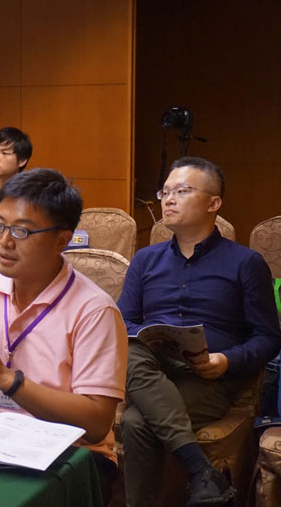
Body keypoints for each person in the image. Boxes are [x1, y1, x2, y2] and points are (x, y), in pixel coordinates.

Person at [0, 168, 127, 503]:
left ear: (62, 240)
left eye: (22, 231)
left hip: (67, 455)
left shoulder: (94, 310)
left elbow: (96, 423)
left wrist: (7, 380)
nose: (4, 242)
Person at [117, 156, 281, 507]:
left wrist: (226, 360)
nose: (168, 199)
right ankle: (201, 472)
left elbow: (268, 338)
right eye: (165, 192)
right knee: (127, 345)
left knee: (135, 422)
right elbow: (124, 321)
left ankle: (197, 474)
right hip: (149, 366)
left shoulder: (245, 263)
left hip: (207, 377)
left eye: (182, 191)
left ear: (213, 203)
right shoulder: (146, 259)